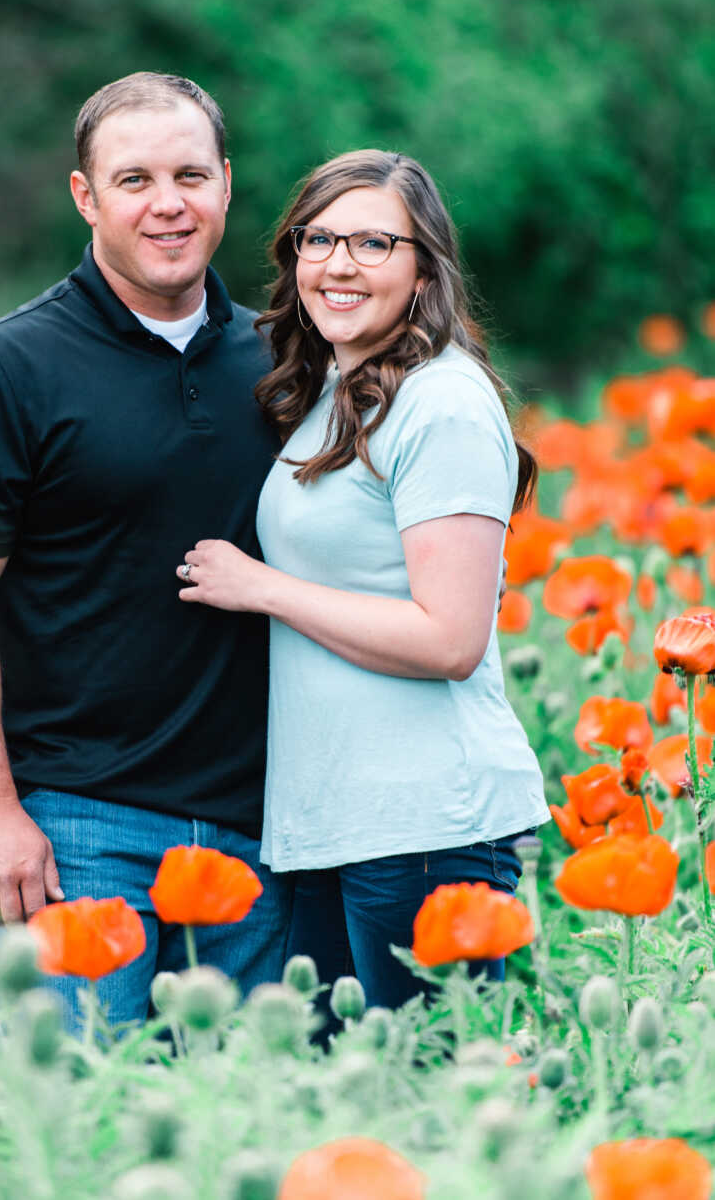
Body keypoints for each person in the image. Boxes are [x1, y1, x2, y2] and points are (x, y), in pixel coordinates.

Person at [0, 73, 293, 1028]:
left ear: (227, 185)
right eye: (135, 179)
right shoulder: (3, 374)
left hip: (266, 830)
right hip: (79, 830)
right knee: (78, 1129)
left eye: (191, 174)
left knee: (247, 1136)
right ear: (86, 196)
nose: (169, 203)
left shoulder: (286, 362)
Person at [175, 149, 551, 1013]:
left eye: (376, 242)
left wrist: (263, 587)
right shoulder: (337, 393)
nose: (340, 264)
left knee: (421, 1107)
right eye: (319, 239)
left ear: (424, 273)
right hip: (334, 823)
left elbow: (450, 639)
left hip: (425, 826)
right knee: (345, 1114)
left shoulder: (440, 404)